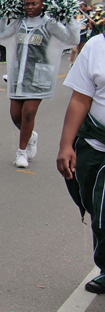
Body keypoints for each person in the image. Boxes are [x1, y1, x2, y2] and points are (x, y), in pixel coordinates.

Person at [0, 0, 80, 168]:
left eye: (34, 4)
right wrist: (2, 14)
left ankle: (21, 152)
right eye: (26, 4)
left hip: (38, 76)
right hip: (18, 76)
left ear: (43, 4)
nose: (29, 7)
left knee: (29, 113)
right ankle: (31, 136)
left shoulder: (50, 23)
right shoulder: (18, 22)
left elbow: (72, 40)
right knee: (15, 115)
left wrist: (69, 17)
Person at [57, 32, 105, 294]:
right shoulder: (97, 46)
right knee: (98, 209)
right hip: (96, 145)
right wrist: (66, 145)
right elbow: (80, 99)